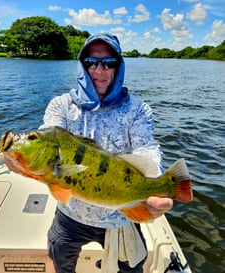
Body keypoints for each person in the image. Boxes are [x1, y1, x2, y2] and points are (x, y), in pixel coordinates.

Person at [39, 33, 173, 273]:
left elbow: (146, 147)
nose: (99, 69)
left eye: (108, 63)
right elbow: (47, 136)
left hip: (120, 215)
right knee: (59, 258)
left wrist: (153, 184)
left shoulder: (138, 109)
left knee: (132, 267)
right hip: (71, 215)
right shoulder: (60, 106)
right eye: (91, 62)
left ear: (118, 67)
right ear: (83, 65)